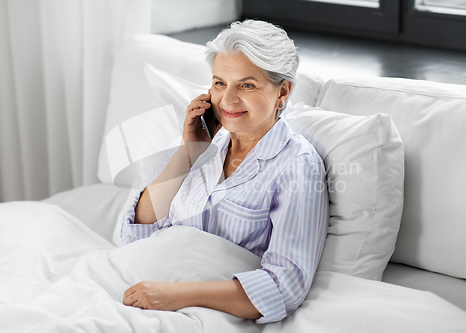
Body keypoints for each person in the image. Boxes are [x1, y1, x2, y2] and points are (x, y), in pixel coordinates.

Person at [120, 19, 329, 324]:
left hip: (199, 313)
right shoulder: (203, 144)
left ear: (282, 93)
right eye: (220, 83)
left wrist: (175, 294)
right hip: (138, 288)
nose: (228, 100)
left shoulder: (297, 167)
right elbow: (135, 232)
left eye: (246, 85)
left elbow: (284, 287)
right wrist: (188, 153)